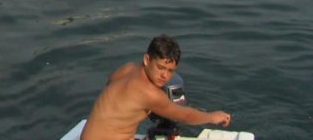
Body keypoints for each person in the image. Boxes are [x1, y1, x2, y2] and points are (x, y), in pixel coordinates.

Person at [80, 35, 231, 140]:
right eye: (160, 68)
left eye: (170, 70)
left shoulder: (126, 69)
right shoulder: (148, 93)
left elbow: (112, 95)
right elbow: (183, 116)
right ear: (146, 59)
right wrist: (212, 117)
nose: (165, 76)